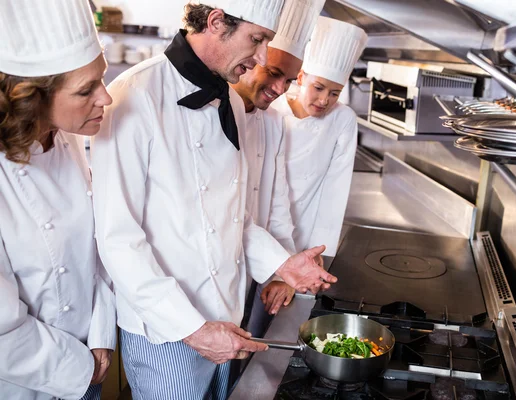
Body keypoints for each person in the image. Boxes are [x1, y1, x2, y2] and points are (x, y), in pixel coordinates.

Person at [90, 1, 337, 399]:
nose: (259, 58)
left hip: (228, 316)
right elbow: (117, 239)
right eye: (256, 40)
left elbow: (232, 219)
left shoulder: (234, 104)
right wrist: (193, 329)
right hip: (167, 330)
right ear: (216, 21)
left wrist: (282, 264)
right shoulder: (132, 96)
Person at [0, 1, 116, 399]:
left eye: (100, 79)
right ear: (30, 99)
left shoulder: (64, 139)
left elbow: (98, 251)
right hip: (25, 385)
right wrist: (81, 368)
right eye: (86, 89)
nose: (106, 98)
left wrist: (101, 335)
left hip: (90, 364)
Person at [232, 0, 325, 337]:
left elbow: (277, 205)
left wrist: (278, 273)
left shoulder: (271, 121)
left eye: (288, 81)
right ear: (249, 59)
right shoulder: (212, 113)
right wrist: (280, 265)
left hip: (247, 274)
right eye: (273, 74)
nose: (280, 90)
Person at [271, 16, 367, 259]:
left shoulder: (343, 119)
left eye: (335, 93)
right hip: (264, 230)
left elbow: (335, 188)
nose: (325, 100)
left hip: (308, 234)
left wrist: (318, 252)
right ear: (301, 78)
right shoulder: (272, 110)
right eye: (319, 88)